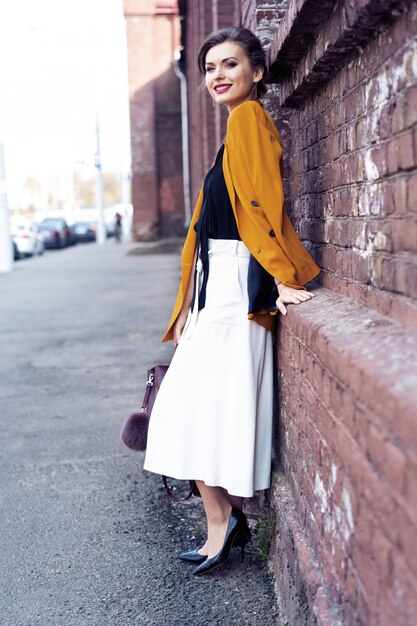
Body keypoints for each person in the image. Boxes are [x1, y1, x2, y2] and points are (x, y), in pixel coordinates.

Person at [143, 26, 320, 576]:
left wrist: (282, 276)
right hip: (213, 287)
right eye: (210, 68)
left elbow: (263, 208)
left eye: (230, 65)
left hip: (235, 286)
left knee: (184, 412)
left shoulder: (249, 121)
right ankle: (222, 522)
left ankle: (224, 523)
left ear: (257, 72)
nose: (217, 76)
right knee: (190, 412)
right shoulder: (231, 133)